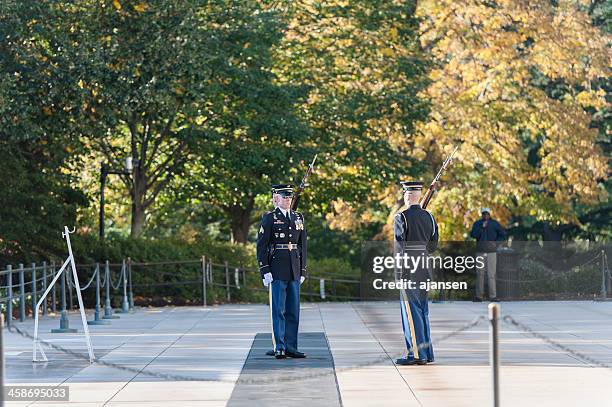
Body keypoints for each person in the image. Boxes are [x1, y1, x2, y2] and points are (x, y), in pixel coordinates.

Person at [256, 184, 307, 359]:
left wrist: (303, 270)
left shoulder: (298, 217)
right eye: (284, 197)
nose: (288, 200)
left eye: (289, 197)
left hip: (294, 267)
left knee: (293, 310)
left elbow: (303, 246)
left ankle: (291, 346)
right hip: (277, 268)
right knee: (278, 310)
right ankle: (279, 346)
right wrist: (265, 269)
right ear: (276, 198)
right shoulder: (270, 218)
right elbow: (261, 246)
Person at [394, 181, 438, 366]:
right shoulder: (430, 217)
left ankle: (416, 354)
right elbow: (433, 246)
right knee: (422, 311)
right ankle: (427, 353)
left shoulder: (401, 217)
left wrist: (399, 273)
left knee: (411, 313)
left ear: (408, 196)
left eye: (405, 194)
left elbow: (399, 247)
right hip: (424, 267)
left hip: (409, 269)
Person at [470, 208, 506, 302]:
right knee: (480, 274)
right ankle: (479, 296)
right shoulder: (477, 224)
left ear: (490, 214)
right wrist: (482, 227)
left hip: (492, 252)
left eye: (487, 214)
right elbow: (473, 235)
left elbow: (503, 234)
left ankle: (493, 296)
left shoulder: (494, 224)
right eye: (483, 214)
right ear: (481, 214)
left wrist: (496, 243)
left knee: (491, 274)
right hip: (480, 252)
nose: (485, 215)